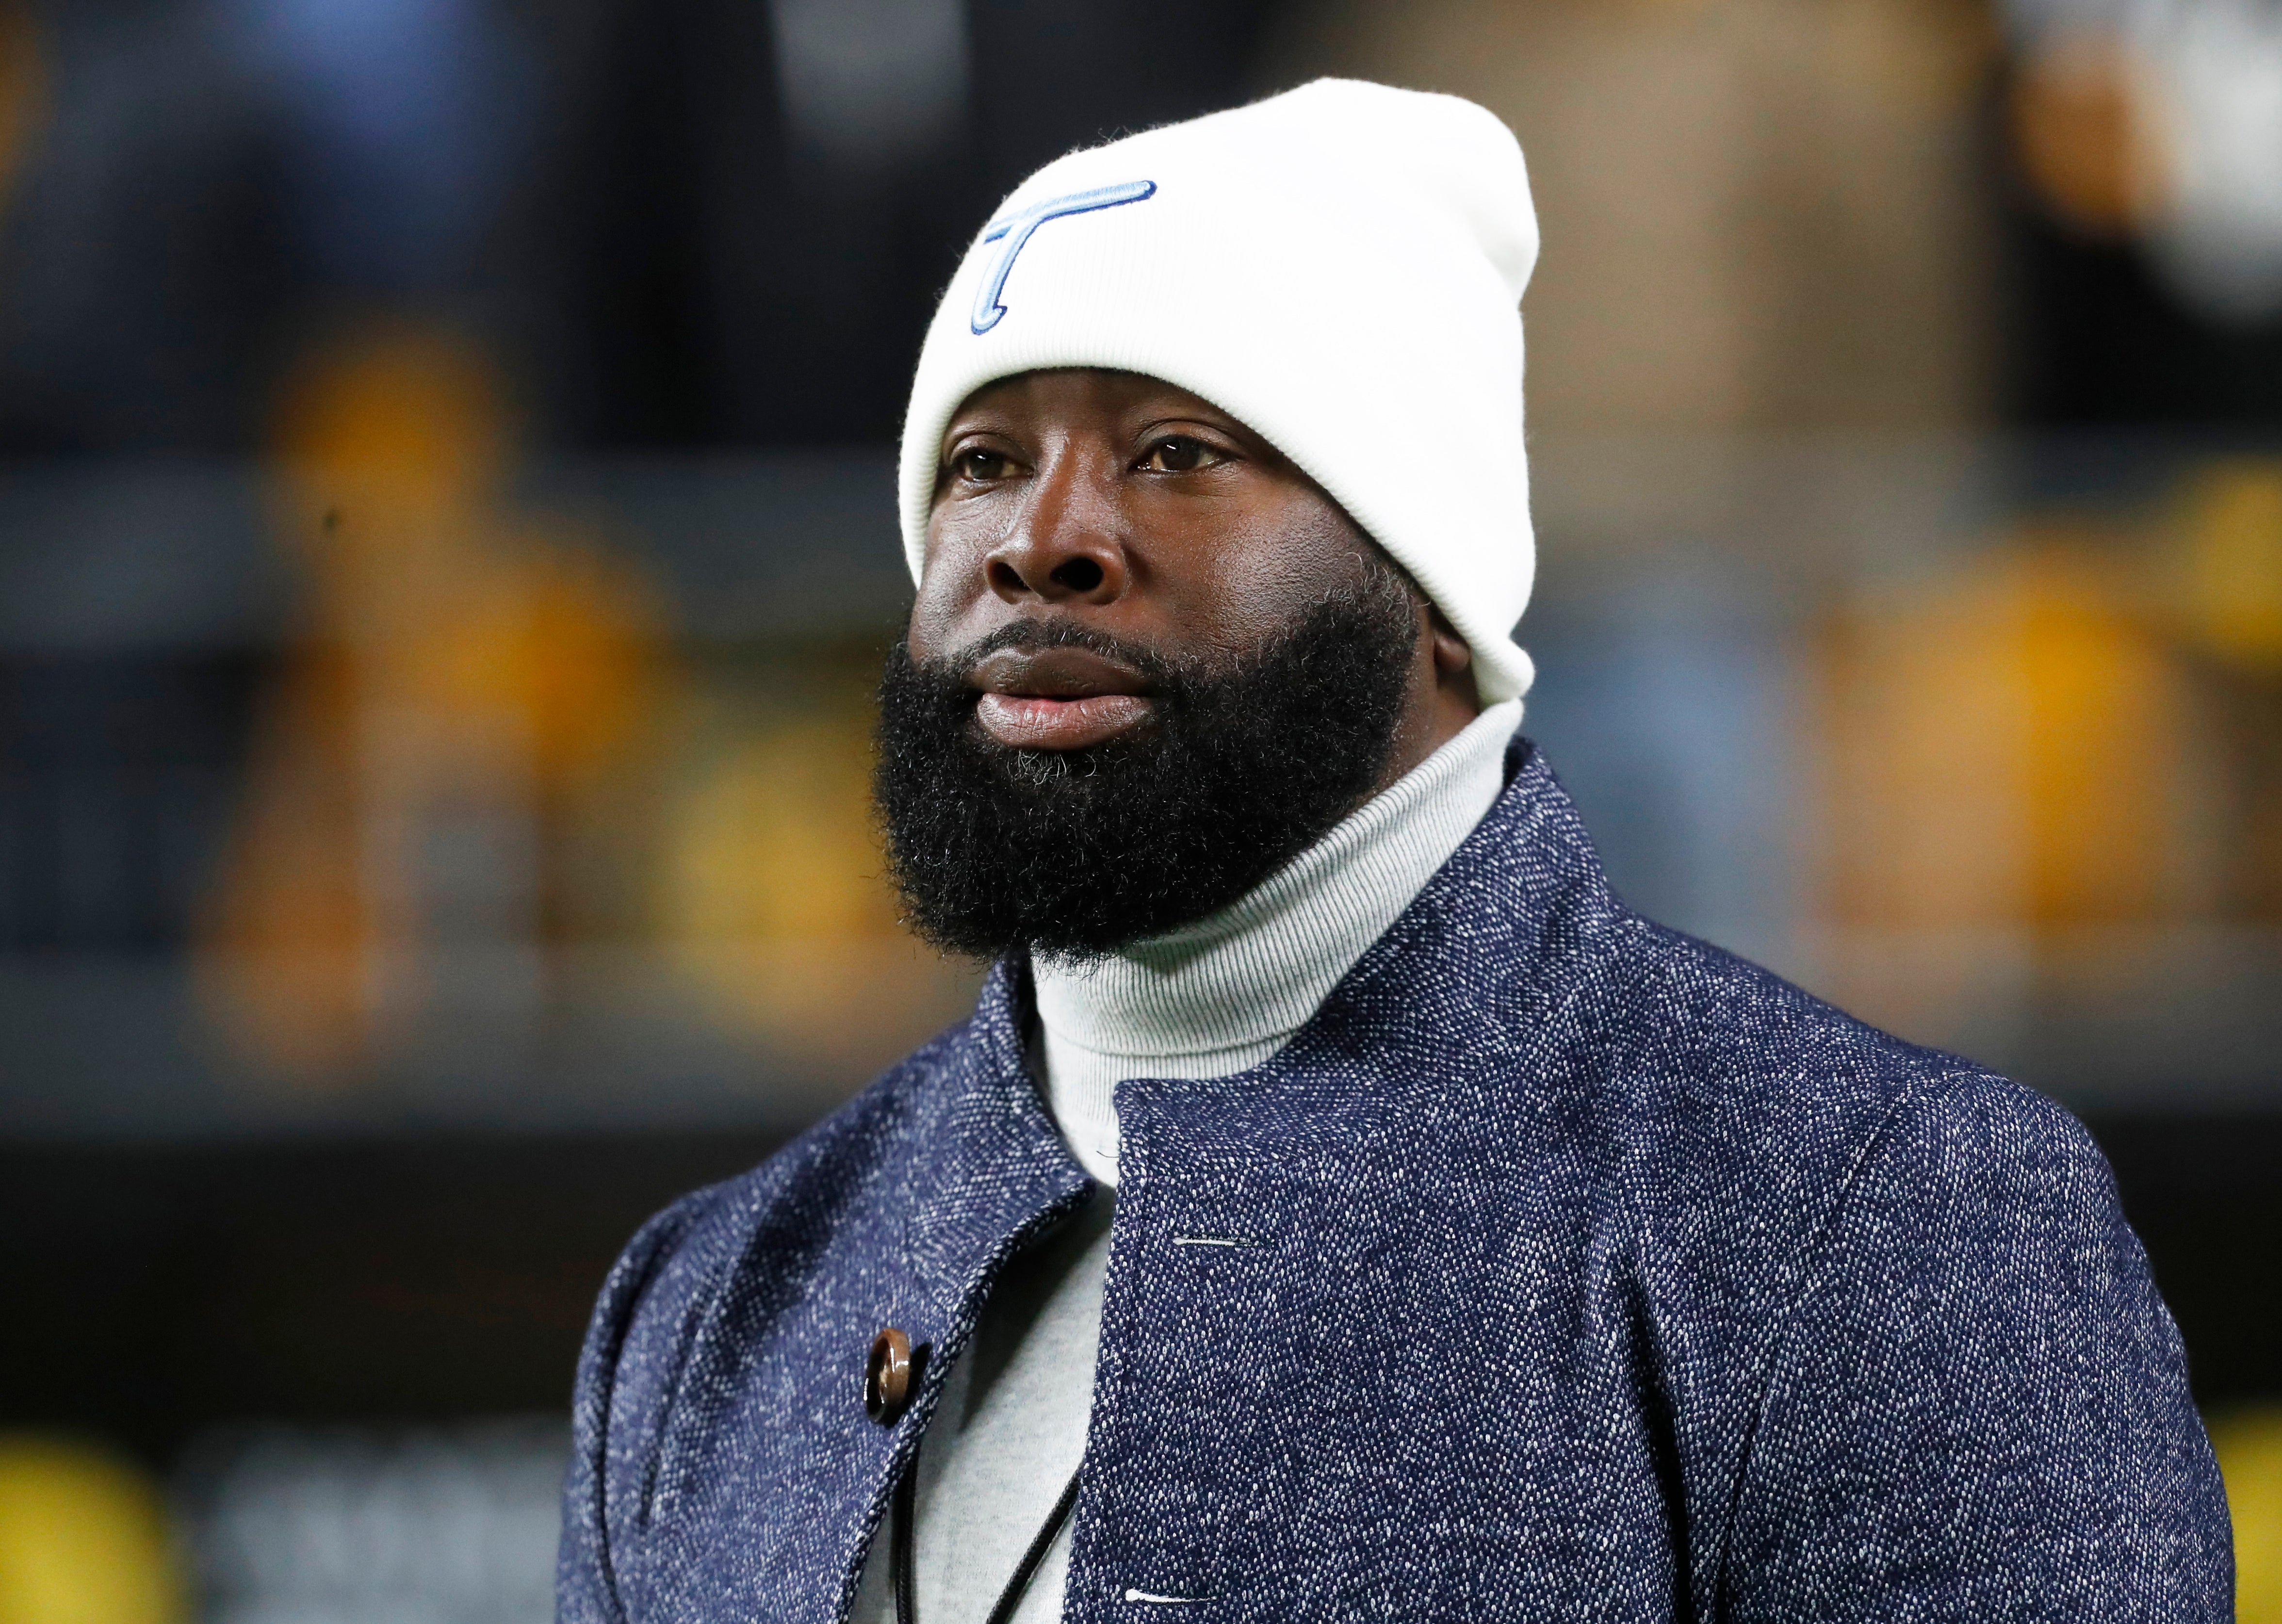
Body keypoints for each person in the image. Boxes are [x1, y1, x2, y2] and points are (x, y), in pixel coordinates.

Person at [557, 80, 2232, 1622]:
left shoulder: (1872, 1218)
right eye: (983, 463)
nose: (1039, 540)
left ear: (1426, 580)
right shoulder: (708, 1306)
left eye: (1177, 454)